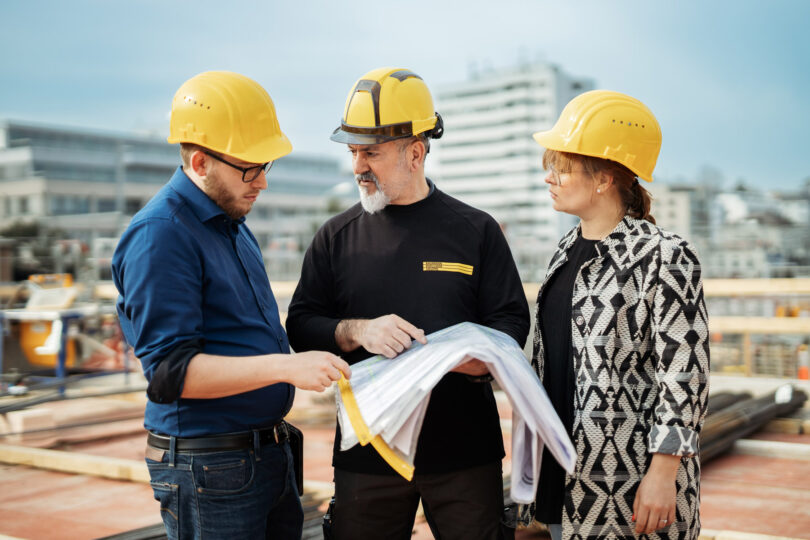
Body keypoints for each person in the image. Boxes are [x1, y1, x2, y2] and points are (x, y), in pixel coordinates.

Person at [286, 67, 530, 540]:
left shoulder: (475, 231)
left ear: (415, 152)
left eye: (371, 153)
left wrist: (466, 361)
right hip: (367, 453)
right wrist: (358, 331)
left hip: (463, 452)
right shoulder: (335, 237)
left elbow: (511, 324)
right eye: (354, 152)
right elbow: (301, 325)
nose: (358, 166)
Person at [112, 71, 350, 540]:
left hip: (260, 456)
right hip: (211, 468)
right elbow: (169, 374)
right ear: (200, 162)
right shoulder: (161, 234)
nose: (261, 182)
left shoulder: (232, 225)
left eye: (266, 165)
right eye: (249, 168)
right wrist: (285, 368)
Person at [528, 90, 710, 540]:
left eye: (562, 165)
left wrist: (664, 473)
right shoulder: (563, 254)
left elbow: (686, 374)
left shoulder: (665, 256)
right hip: (567, 476)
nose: (549, 176)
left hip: (630, 484)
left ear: (604, 178)